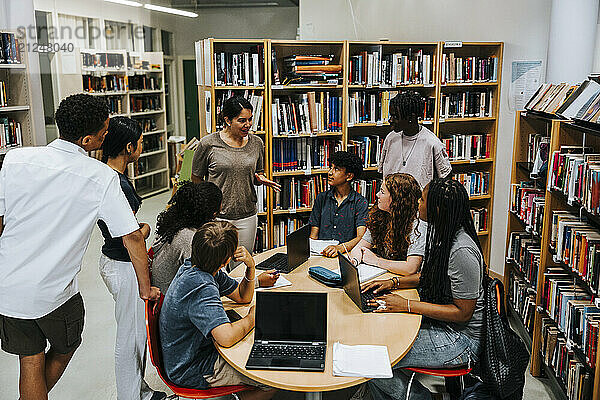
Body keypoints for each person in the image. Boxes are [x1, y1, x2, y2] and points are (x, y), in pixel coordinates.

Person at [0, 94, 160, 400]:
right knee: (65, 346)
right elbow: (132, 236)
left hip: (9, 286)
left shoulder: (14, 160)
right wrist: (144, 288)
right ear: (88, 139)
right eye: (104, 130)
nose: (107, 134)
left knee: (30, 360)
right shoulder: (100, 177)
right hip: (55, 293)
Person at [361, 178, 485, 400]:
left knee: (373, 358)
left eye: (422, 199)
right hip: (441, 325)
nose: (417, 203)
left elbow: (463, 312)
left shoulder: (461, 251)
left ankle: (421, 397)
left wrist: (407, 305)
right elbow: (428, 277)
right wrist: (394, 283)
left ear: (436, 209)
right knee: (376, 333)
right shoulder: (442, 233)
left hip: (461, 340)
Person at [159, 221, 276, 400]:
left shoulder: (200, 265)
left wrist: (251, 268)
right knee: (271, 378)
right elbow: (227, 337)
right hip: (191, 368)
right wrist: (254, 317)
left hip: (196, 351)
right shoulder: (201, 286)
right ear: (226, 260)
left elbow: (242, 296)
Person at [97, 116, 165, 400]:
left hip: (113, 259)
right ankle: (129, 396)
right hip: (124, 265)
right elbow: (132, 236)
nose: (140, 147)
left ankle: (140, 391)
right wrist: (145, 229)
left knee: (135, 334)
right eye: (138, 143)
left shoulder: (105, 174)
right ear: (128, 147)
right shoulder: (119, 185)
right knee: (131, 338)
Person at [191, 96, 280, 269]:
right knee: (217, 267)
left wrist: (259, 178)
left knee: (241, 267)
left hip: (247, 215)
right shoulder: (208, 144)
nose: (247, 125)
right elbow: (196, 178)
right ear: (227, 120)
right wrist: (205, 208)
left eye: (250, 119)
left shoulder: (256, 143)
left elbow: (257, 172)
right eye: (241, 120)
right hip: (217, 218)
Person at [151, 181, 278, 293]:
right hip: (177, 304)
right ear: (211, 215)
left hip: (167, 297)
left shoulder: (173, 224)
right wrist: (257, 281)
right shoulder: (191, 239)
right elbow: (218, 284)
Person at [349, 173, 425, 275]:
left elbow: (410, 268)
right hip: (386, 274)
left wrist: (376, 261)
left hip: (404, 282)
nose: (377, 195)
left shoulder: (417, 225)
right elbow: (360, 247)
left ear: (396, 199)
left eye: (382, 192)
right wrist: (355, 261)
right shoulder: (379, 215)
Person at [379, 91, 452, 188]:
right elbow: (382, 173)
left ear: (410, 118)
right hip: (391, 201)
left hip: (418, 201)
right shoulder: (390, 138)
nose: (390, 120)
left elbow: (446, 178)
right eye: (391, 115)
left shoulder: (432, 143)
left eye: (395, 116)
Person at [308, 151, 369, 257]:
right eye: (330, 167)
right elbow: (314, 233)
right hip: (321, 254)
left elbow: (361, 237)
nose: (330, 172)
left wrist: (340, 248)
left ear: (349, 176)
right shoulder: (321, 198)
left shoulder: (360, 202)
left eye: (336, 169)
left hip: (346, 255)